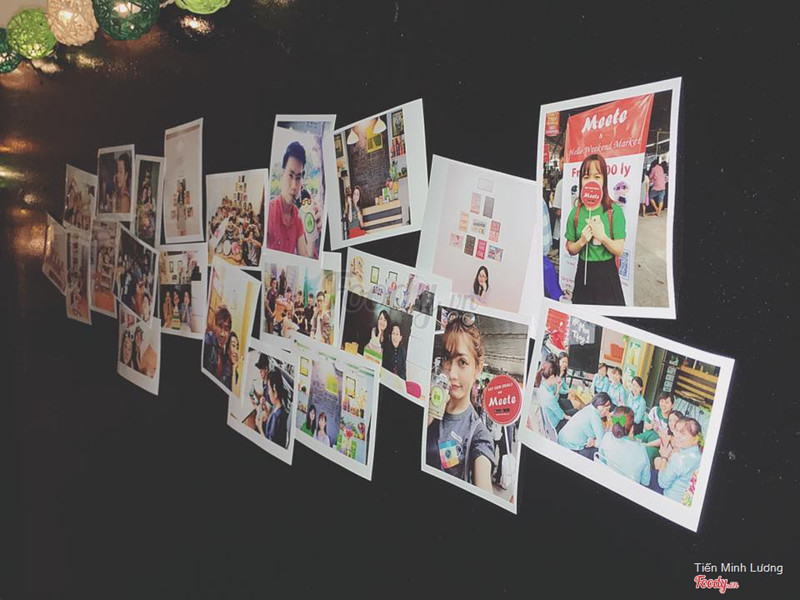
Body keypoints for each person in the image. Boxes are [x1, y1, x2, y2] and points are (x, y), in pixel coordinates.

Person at [425, 311, 496, 492]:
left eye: (462, 362)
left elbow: (483, 483)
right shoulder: (426, 404)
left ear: (477, 368)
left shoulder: (477, 433)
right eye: (447, 358)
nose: (452, 373)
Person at [564, 153, 626, 306]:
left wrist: (602, 237)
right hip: (584, 272)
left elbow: (619, 250)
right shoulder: (575, 213)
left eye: (597, 177)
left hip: (607, 274)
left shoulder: (614, 211)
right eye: (586, 177)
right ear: (581, 181)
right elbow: (570, 249)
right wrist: (582, 241)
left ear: (604, 180)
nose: (591, 181)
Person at [267, 142, 319, 257]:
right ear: (282, 176)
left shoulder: (297, 217)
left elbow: (305, 257)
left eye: (298, 178)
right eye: (290, 175)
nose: (294, 186)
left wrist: (313, 231)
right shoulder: (268, 212)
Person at [598, 406, 650, 486]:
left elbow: (601, 461)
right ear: (632, 428)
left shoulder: (606, 437)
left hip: (608, 482)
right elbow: (645, 481)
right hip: (629, 489)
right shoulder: (641, 450)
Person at [655, 417, 703, 503]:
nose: (677, 436)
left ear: (695, 438)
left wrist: (664, 457)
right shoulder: (699, 454)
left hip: (669, 499)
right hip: (684, 498)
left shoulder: (678, 459)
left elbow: (662, 483)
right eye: (676, 431)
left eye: (683, 433)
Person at [557, 392, 613, 458]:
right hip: (570, 448)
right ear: (598, 403)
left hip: (561, 439)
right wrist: (594, 442)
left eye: (607, 409)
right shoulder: (595, 416)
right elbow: (601, 443)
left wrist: (593, 439)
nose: (605, 411)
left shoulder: (589, 407)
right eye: (604, 407)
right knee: (604, 451)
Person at [535, 358, 570, 432]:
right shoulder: (549, 396)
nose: (558, 378)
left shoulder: (542, 385)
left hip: (549, 421)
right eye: (557, 376)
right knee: (575, 412)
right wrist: (569, 417)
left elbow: (554, 401)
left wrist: (558, 389)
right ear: (552, 376)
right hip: (555, 425)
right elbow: (560, 416)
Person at [203, 305, 232, 383]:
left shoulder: (224, 354)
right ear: (215, 326)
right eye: (219, 327)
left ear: (229, 333)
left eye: (226, 329)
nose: (222, 334)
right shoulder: (207, 342)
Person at [264, 369, 289, 447]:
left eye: (269, 389)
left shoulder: (277, 417)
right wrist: (266, 409)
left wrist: (259, 427)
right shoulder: (280, 409)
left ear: (275, 392)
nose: (268, 392)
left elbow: (269, 446)